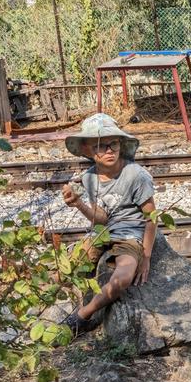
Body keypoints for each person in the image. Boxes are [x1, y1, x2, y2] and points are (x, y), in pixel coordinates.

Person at [60, 113, 157, 337]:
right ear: (88, 150)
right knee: (67, 266)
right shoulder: (89, 177)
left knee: (122, 278)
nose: (109, 151)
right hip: (103, 232)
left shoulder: (136, 175)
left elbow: (151, 217)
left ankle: (82, 316)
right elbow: (102, 217)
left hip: (130, 233)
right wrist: (78, 203)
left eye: (113, 144)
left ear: (121, 144)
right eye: (100, 146)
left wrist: (146, 255)